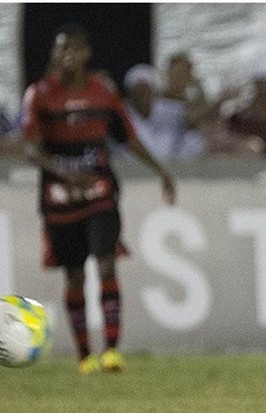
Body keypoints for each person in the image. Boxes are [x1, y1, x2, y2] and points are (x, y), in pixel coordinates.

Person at [21, 24, 176, 375]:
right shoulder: (40, 95)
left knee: (106, 263)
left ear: (87, 54)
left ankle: (111, 351)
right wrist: (63, 170)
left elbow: (128, 139)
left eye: (74, 49)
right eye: (61, 50)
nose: (68, 56)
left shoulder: (103, 92)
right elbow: (30, 148)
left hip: (100, 192)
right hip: (59, 198)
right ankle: (84, 355)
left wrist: (161, 170)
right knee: (75, 276)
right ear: (53, 55)